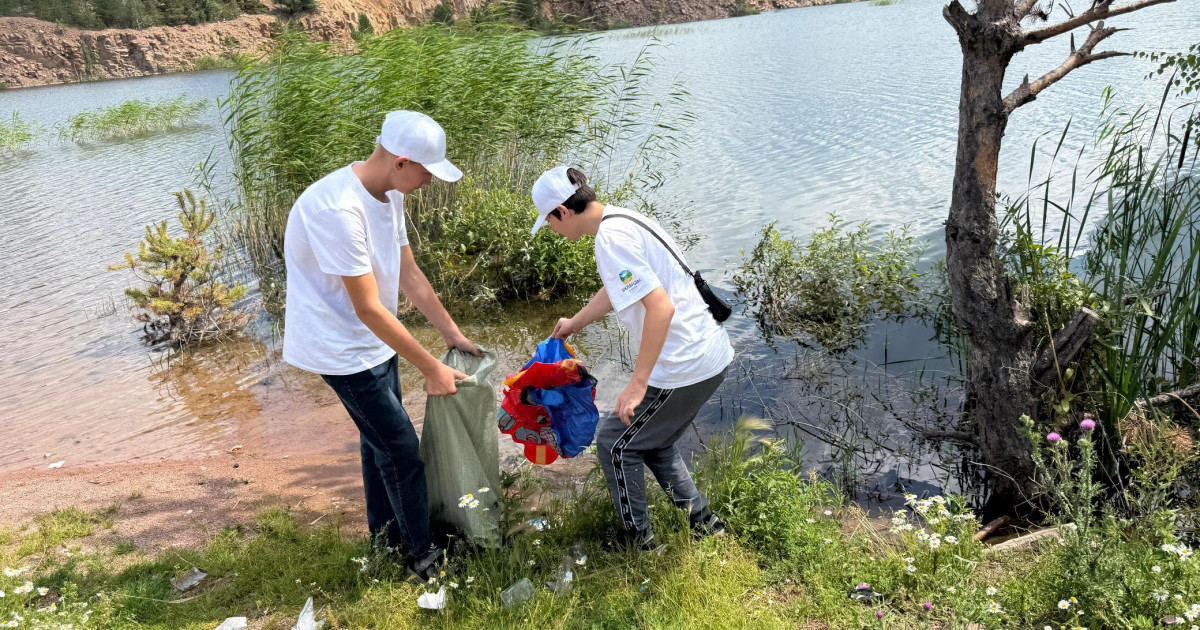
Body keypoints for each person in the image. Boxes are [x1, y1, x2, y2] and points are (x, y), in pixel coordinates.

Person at [282, 110, 479, 581]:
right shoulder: (337, 209)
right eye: (427, 172)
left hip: (373, 339)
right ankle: (423, 558)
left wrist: (450, 333)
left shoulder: (388, 194)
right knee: (402, 450)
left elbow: (408, 273)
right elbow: (368, 308)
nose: (430, 181)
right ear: (401, 161)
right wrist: (432, 367)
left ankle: (385, 540)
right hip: (339, 346)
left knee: (379, 447)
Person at [532, 165, 733, 550]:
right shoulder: (623, 219)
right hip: (709, 353)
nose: (555, 232)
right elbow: (619, 289)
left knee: (615, 443)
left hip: (685, 363)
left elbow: (660, 309)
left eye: (550, 223)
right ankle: (705, 523)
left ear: (562, 210)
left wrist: (637, 383)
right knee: (653, 442)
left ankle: (638, 541)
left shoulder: (610, 239)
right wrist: (575, 322)